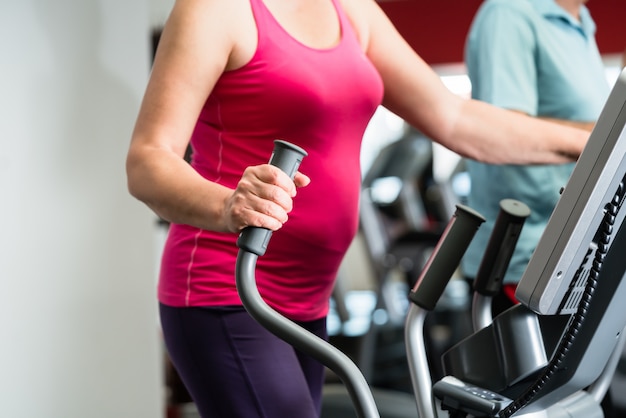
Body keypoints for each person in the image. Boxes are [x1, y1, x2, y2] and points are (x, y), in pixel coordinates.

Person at [125, 0, 591, 417]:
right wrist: (226, 204)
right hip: (228, 290)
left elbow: (455, 118)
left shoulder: (351, 8)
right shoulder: (215, 10)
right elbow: (147, 160)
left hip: (309, 298)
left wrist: (596, 142)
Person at [460, 0, 610, 315]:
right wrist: (608, 136)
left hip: (579, 246)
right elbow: (504, 131)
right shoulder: (509, 13)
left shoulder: (580, 20)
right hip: (527, 257)